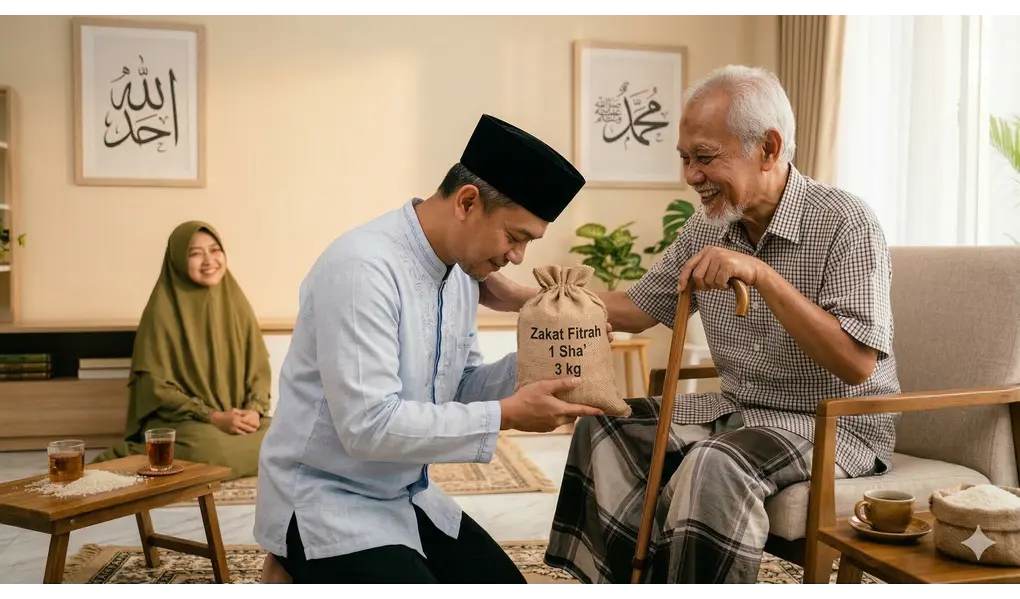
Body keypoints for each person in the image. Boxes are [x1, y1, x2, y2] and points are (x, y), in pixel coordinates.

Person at [479, 65, 902, 584]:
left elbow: (857, 364)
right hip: (741, 409)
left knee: (714, 463)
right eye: (685, 159)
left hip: (832, 424)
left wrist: (762, 276)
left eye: (704, 158)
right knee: (604, 423)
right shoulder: (709, 225)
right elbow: (638, 308)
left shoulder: (846, 222)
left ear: (769, 149)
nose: (691, 176)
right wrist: (523, 297)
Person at [253, 113, 605, 585]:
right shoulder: (364, 269)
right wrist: (507, 414)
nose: (518, 257)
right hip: (326, 500)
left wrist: (545, 359)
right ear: (467, 201)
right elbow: (368, 426)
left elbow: (457, 386)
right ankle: (293, 559)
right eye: (515, 236)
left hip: (404, 493)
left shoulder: (460, 272)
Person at [92, 221, 273, 481]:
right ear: (177, 260)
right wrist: (212, 416)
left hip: (236, 419)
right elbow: (155, 388)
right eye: (195, 253)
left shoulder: (236, 303)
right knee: (212, 449)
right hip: (186, 424)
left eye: (214, 250)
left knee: (289, 434)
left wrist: (253, 411)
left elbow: (258, 369)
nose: (209, 260)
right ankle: (140, 455)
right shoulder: (161, 311)